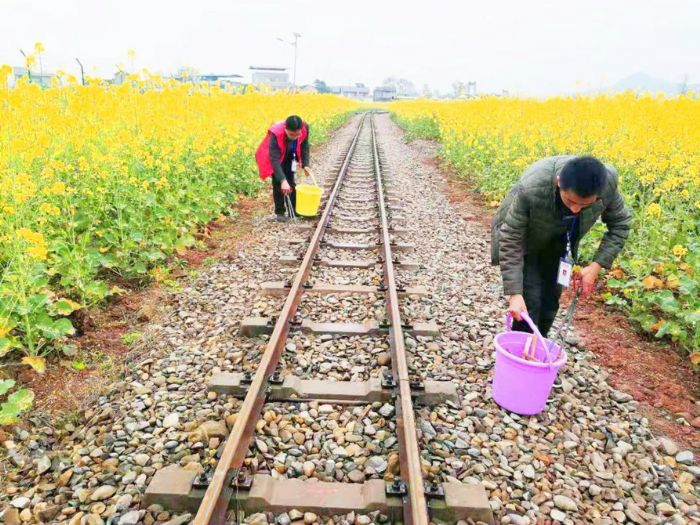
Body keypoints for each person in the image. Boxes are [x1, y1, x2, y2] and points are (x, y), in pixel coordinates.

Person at [491, 155, 632, 336]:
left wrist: (595, 266)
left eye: (585, 205)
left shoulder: (606, 184)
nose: (575, 210)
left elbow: (620, 225)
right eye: (571, 201)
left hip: (560, 241)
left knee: (550, 302)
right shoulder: (532, 186)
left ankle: (538, 348)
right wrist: (514, 294)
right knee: (529, 302)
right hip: (525, 241)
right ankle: (522, 355)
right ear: (559, 183)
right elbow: (511, 236)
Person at [255, 115, 313, 222]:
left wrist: (305, 164)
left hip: (292, 155)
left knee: (290, 181)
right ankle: (280, 212)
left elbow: (305, 145)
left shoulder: (305, 127)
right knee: (278, 182)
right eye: (291, 134)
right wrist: (282, 180)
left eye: (297, 134)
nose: (295, 137)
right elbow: (274, 160)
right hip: (277, 156)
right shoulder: (276, 133)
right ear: (285, 129)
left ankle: (293, 211)